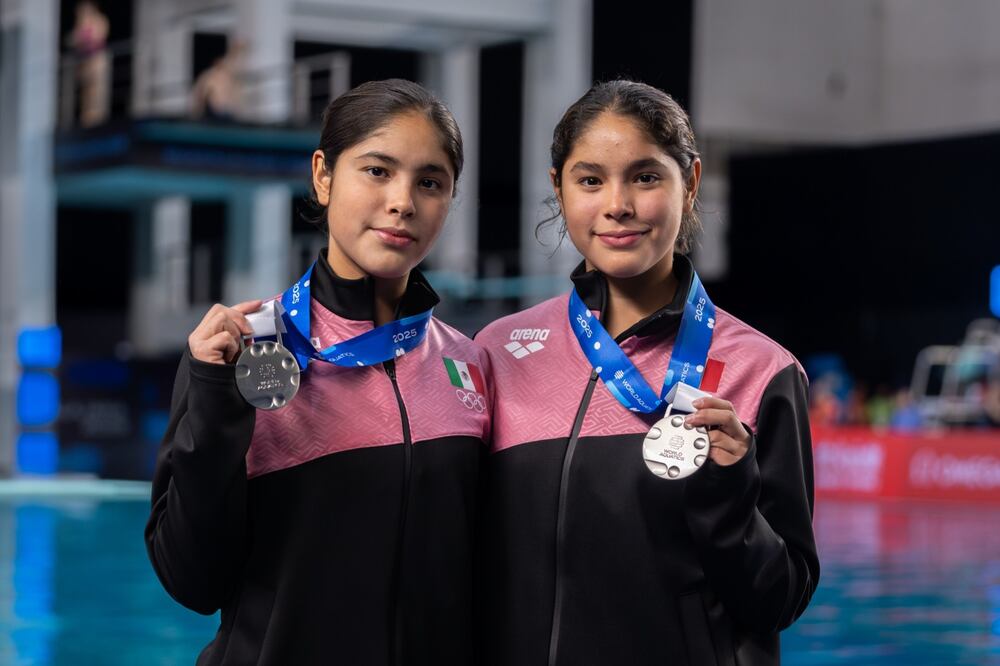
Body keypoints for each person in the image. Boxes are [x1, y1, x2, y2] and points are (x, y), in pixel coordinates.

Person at [146, 79, 490, 665]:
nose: (403, 201)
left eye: (430, 182)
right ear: (323, 176)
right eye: (377, 171)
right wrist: (215, 404)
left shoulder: (468, 362)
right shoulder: (242, 352)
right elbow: (191, 582)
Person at [475, 80, 819, 665]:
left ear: (690, 184)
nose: (618, 205)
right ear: (558, 188)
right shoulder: (499, 351)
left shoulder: (762, 371)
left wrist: (728, 488)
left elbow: (778, 598)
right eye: (590, 180)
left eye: (645, 177)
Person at [69, 0, 110, 127]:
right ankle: (87, 120)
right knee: (85, 93)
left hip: (97, 59)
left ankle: (97, 119)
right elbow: (73, 39)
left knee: (97, 91)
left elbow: (98, 37)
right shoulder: (81, 23)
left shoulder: (99, 20)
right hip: (84, 61)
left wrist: (83, 37)